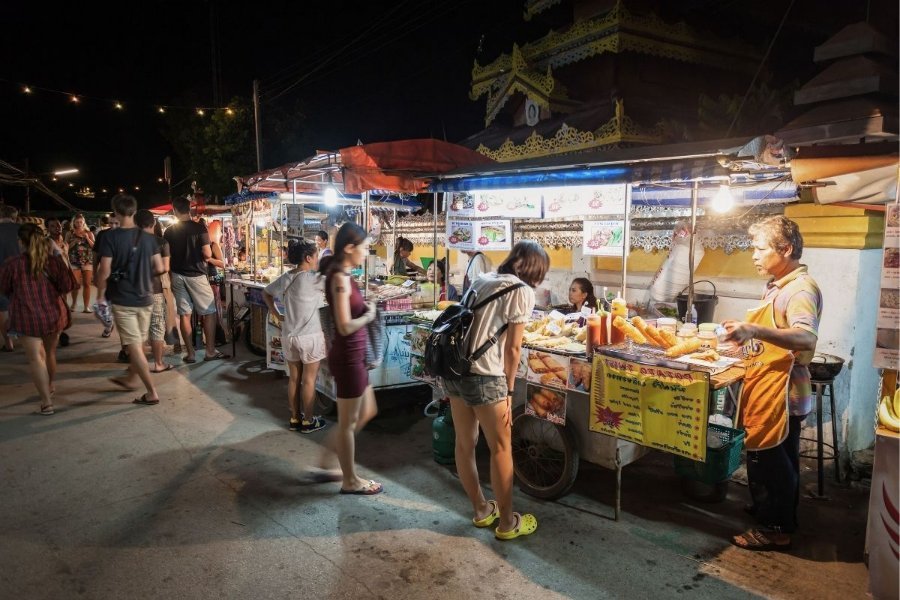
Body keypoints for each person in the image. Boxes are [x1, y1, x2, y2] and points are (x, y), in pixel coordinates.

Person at [723, 216, 822, 552]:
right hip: (772, 385)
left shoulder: (800, 289)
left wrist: (754, 330)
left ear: (786, 249)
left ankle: (775, 528)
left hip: (784, 392)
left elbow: (806, 337)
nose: (754, 255)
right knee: (778, 458)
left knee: (771, 462)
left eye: (760, 248)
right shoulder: (778, 285)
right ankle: (773, 510)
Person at [444, 240, 549, 540]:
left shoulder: (482, 279)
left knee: (465, 444)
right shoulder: (522, 291)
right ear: (536, 270)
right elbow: (513, 349)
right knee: (501, 448)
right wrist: (510, 390)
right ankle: (506, 524)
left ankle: (480, 510)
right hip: (486, 377)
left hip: (456, 371)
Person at [312, 222, 382, 495]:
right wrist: (367, 315)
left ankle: (328, 463)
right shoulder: (339, 278)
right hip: (348, 357)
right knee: (348, 423)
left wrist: (365, 305)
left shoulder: (345, 274)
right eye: (364, 248)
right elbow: (343, 326)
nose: (366, 252)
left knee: (366, 412)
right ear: (349, 248)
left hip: (356, 356)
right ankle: (350, 480)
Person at [96, 195, 165, 405]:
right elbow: (160, 268)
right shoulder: (148, 238)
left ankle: (151, 392)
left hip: (123, 298)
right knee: (138, 344)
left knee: (134, 346)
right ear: (134, 211)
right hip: (146, 297)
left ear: (115, 212)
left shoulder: (110, 237)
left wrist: (100, 295)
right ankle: (130, 378)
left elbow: (104, 270)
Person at [0, 224, 75, 414]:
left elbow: (4, 289)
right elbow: (68, 285)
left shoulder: (13, 264)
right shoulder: (53, 262)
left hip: (27, 316)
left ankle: (46, 402)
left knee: (35, 358)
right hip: (53, 314)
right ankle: (49, 384)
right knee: (49, 353)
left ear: (21, 242)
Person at [263, 240, 327, 434]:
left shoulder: (286, 277)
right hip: (310, 337)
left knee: (293, 380)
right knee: (309, 381)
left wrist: (277, 314)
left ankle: (294, 419)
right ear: (308, 258)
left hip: (289, 336)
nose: (317, 260)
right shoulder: (315, 278)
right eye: (316, 256)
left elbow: (266, 293)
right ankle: (308, 421)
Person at [163, 198, 229, 363]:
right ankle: (210, 351)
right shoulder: (199, 228)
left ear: (175, 210)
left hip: (177, 275)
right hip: (197, 275)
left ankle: (191, 354)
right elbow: (207, 254)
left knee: (185, 314)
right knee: (209, 312)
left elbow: (168, 256)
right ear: (189, 209)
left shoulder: (169, 231)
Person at [135, 210, 172, 373]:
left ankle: (138, 366)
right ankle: (158, 363)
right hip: (155, 289)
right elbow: (165, 268)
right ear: (154, 223)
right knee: (157, 327)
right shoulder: (162, 242)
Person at [0, 205, 21, 352]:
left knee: (2, 309)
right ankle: (27, 339)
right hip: (21, 274)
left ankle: (8, 343)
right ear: (15, 216)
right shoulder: (23, 230)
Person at [65, 213, 95, 312]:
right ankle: (74, 304)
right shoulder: (70, 233)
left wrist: (87, 238)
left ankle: (86, 307)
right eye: (77, 222)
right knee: (76, 284)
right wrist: (72, 243)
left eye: (81, 222)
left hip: (87, 261)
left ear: (84, 222)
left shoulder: (89, 233)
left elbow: (94, 247)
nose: (79, 224)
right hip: (74, 260)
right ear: (73, 223)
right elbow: (65, 247)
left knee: (87, 284)